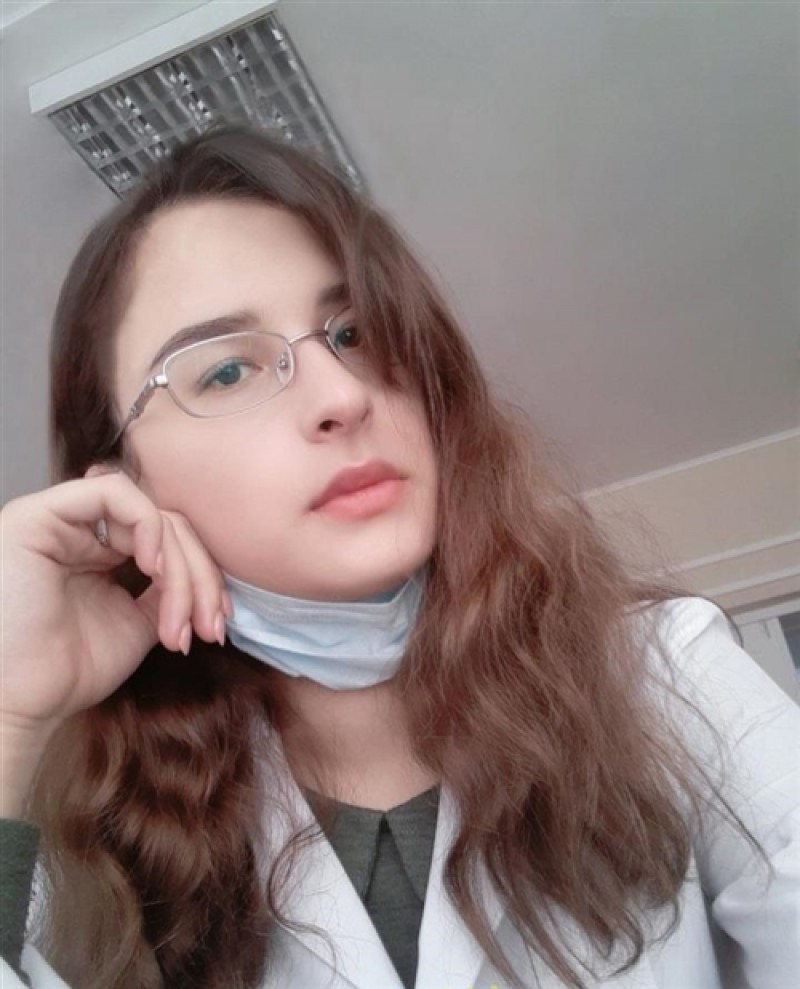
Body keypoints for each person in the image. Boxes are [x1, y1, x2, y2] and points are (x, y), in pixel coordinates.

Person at [0, 125, 797, 989]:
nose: (343, 394)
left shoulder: (660, 672)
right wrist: (7, 715)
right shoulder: (72, 839)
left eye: (355, 332)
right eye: (226, 371)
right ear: (123, 486)